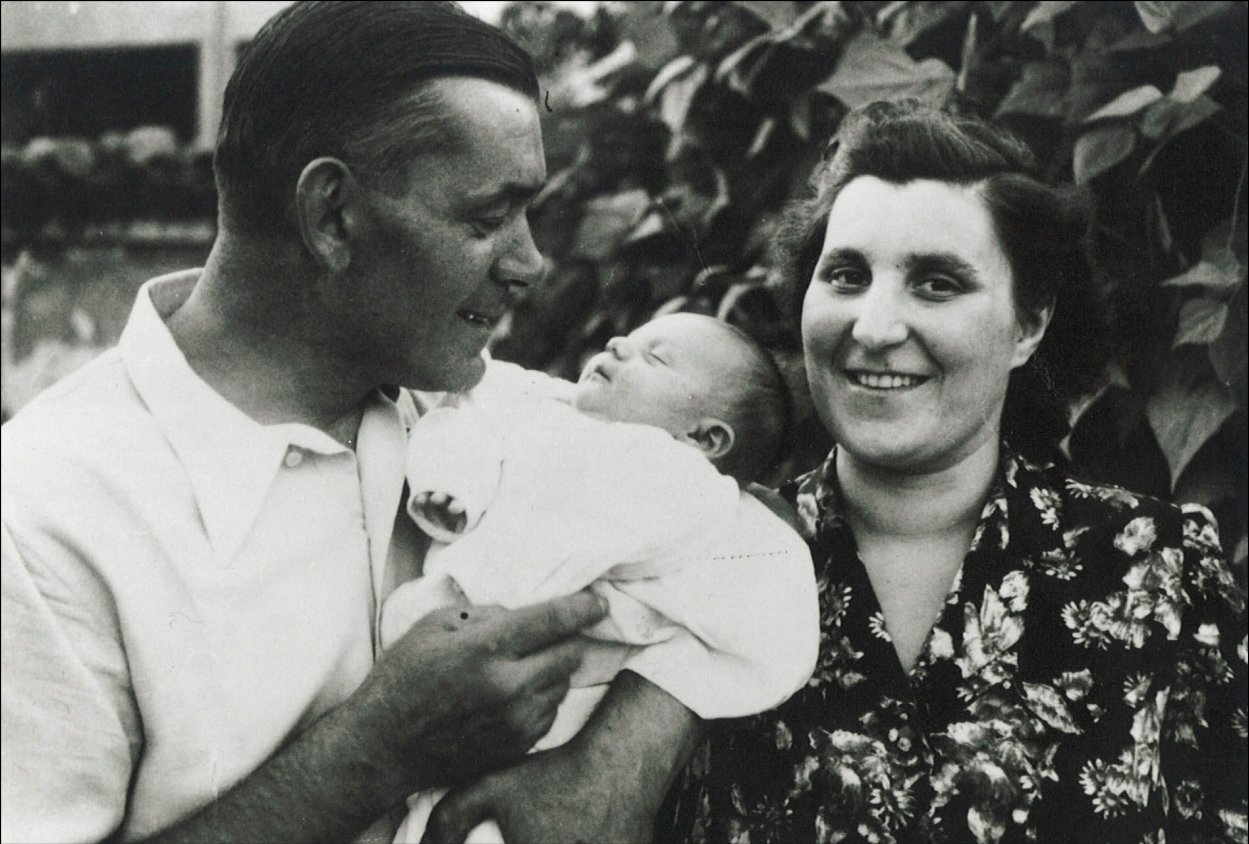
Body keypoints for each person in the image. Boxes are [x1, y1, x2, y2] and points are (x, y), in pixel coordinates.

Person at [0, 3, 701, 842]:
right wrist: (376, 750)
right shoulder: (42, 516)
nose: (529, 263)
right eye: (485, 220)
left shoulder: (493, 407)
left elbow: (741, 528)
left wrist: (616, 759)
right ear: (332, 215)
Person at [659, 100, 1249, 843]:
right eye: (845, 275)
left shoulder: (1158, 570)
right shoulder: (701, 560)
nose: (873, 327)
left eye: (936, 283)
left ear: (1029, 324)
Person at [385, 313, 820, 842]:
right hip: (433, 664)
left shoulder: (702, 498)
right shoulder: (544, 414)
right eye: (627, 339)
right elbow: (464, 416)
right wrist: (453, 486)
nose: (616, 344)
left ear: (705, 437)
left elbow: (771, 622)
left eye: (654, 357)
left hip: (560, 719)